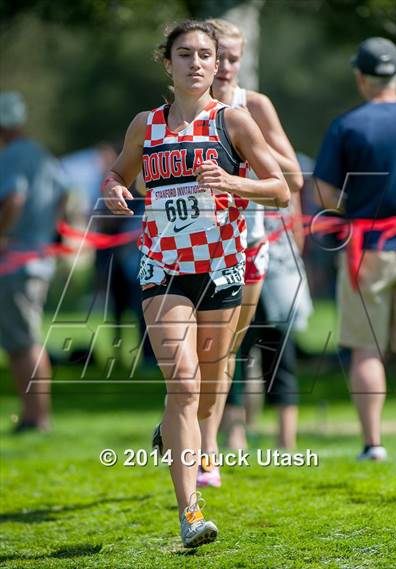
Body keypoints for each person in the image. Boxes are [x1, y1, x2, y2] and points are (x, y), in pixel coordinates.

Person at [101, 20, 291, 547]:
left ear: (216, 63)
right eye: (184, 54)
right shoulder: (147, 124)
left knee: (205, 393)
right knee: (183, 384)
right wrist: (115, 189)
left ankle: (171, 431)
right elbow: (118, 173)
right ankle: (190, 515)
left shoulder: (234, 121)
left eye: (205, 54)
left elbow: (279, 191)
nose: (197, 63)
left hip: (221, 269)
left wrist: (233, 181)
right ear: (167, 62)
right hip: (163, 268)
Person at [197, 18, 303, 486]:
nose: (224, 67)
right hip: (194, 247)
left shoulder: (253, 105)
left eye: (233, 58)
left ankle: (205, 442)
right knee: (196, 353)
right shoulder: (181, 111)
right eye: (216, 57)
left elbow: (294, 179)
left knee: (224, 353)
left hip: (249, 245)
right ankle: (206, 448)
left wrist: (247, 141)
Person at [314, 37, 396, 460]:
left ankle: (372, 444)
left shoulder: (348, 125)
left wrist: (350, 209)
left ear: (360, 77)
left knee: (367, 347)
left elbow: (323, 192)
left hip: (368, 246)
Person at [0, 91, 70, 432]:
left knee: (22, 342)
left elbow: (14, 197)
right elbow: (63, 194)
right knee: (27, 338)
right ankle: (35, 415)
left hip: (16, 261)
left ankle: (35, 417)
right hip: (39, 258)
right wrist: (46, 228)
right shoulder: (42, 154)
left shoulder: (11, 157)